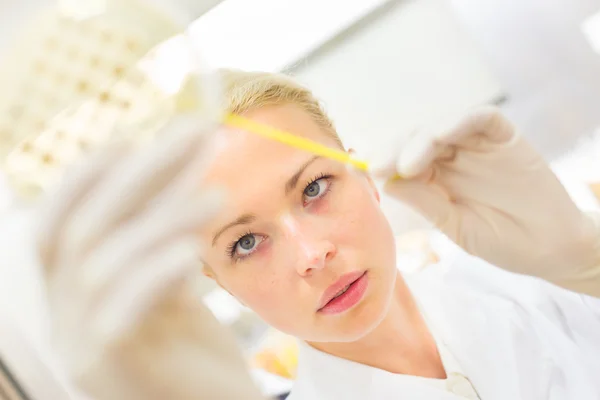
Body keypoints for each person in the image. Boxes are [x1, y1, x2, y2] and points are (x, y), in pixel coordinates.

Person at [28, 69, 600, 399]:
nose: (312, 254)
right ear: (217, 280)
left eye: (314, 188)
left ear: (363, 176)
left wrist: (589, 261)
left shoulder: (540, 286)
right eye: (244, 243)